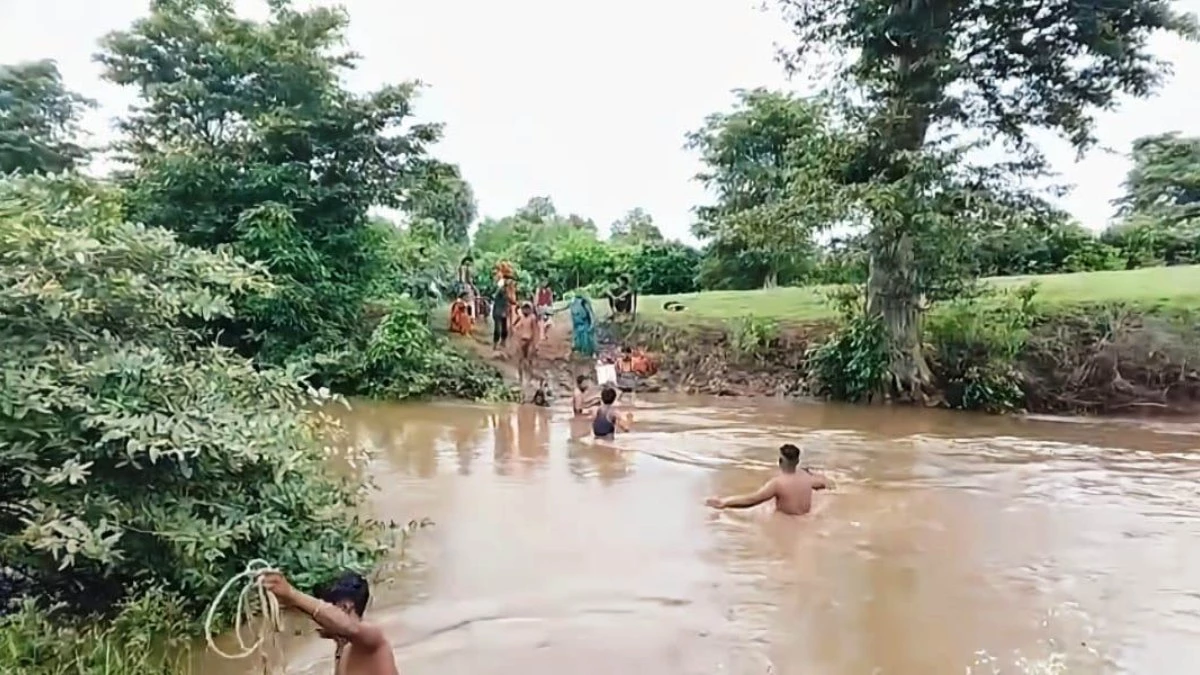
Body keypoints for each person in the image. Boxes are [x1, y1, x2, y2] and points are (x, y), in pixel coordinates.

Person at [260, 570, 398, 675]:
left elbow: (348, 626)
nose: (315, 621)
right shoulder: (342, 648)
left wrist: (291, 594)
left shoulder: (372, 641)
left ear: (344, 607)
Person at [705, 444, 830, 516]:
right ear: (797, 461)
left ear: (780, 461)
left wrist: (724, 502)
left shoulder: (777, 484)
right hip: (806, 521)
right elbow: (824, 484)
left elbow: (752, 499)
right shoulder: (807, 478)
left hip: (785, 524)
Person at [513, 302, 539, 380]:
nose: (526, 310)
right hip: (521, 340)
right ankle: (520, 376)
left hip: (529, 340)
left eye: (527, 309)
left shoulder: (532, 318)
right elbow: (515, 327)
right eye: (524, 308)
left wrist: (535, 343)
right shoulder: (520, 317)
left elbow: (535, 330)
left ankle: (530, 376)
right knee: (520, 359)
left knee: (529, 359)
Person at [491, 281, 510, 351]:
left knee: (504, 329)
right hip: (498, 313)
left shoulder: (507, 294)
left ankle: (502, 342)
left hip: (503, 313)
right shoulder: (498, 293)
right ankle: (495, 344)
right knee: (497, 330)